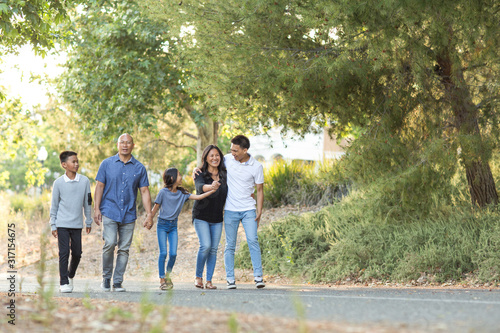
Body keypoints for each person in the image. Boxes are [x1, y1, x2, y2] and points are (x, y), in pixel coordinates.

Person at [193, 135, 266, 289]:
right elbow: (208, 162)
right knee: (229, 245)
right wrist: (196, 168)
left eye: (235, 150)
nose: (232, 153)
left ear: (245, 150)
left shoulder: (256, 166)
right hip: (230, 210)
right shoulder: (227, 159)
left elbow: (259, 190)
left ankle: (258, 277)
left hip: (248, 209)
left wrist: (259, 211)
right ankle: (230, 279)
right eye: (231, 150)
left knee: (253, 240)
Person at [94, 133, 153, 292]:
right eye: (122, 142)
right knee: (110, 243)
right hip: (109, 210)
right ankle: (106, 278)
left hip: (129, 213)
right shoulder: (106, 164)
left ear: (133, 145)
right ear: (117, 145)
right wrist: (96, 208)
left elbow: (145, 191)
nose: (125, 145)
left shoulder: (139, 168)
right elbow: (99, 186)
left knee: (124, 249)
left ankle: (118, 281)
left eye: (128, 143)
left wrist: (149, 214)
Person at [145, 167, 218, 290]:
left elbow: (199, 197)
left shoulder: (182, 194)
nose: (181, 177)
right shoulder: (163, 192)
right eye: (179, 175)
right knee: (163, 253)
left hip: (173, 226)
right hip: (162, 225)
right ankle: (162, 279)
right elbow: (155, 209)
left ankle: (168, 276)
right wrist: (149, 219)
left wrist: (212, 190)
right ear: (172, 178)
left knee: (173, 254)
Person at [49, 151, 93, 293]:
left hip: (77, 224)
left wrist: (89, 221)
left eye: (77, 161)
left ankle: (70, 274)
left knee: (77, 253)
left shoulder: (85, 181)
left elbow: (88, 203)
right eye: (73, 162)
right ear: (64, 165)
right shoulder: (58, 183)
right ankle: (63, 282)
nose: (76, 164)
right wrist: (53, 224)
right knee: (63, 253)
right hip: (62, 223)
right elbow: (54, 205)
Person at [192, 145, 228, 290]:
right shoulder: (200, 173)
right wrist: (211, 186)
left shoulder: (225, 174)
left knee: (213, 249)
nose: (215, 158)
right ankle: (198, 277)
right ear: (206, 157)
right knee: (205, 245)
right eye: (211, 155)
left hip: (217, 217)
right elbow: (200, 187)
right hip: (201, 215)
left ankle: (209, 281)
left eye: (217, 155)